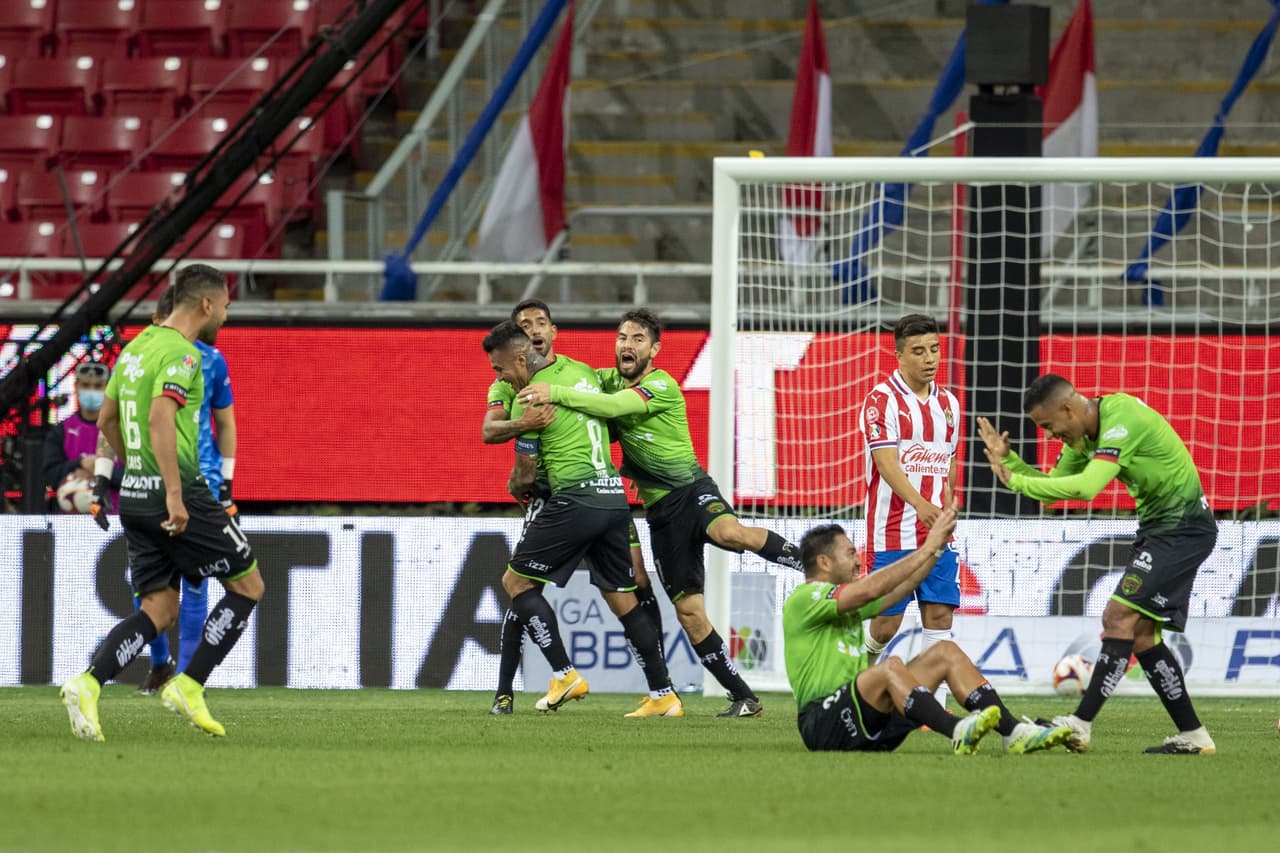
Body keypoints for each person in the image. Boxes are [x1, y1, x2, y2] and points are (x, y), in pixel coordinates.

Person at [519, 308, 804, 717]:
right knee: (689, 613)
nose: (627, 345)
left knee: (729, 533)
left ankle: (808, 565)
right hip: (660, 514)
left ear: (654, 349)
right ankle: (744, 697)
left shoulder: (660, 384)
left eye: (637, 339)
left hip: (691, 491)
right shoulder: (606, 379)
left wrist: (554, 393)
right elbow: (575, 377)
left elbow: (612, 407)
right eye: (622, 337)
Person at [59, 264, 263, 741]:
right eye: (227, 307)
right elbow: (159, 418)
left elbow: (106, 417)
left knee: (159, 609)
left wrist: (137, 467)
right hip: (182, 493)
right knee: (248, 586)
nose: (227, 318)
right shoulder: (184, 355)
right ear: (206, 304)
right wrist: (172, 490)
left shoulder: (135, 349)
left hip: (133, 497)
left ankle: (87, 682)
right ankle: (189, 685)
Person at [979, 374, 1219, 755]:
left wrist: (1016, 482)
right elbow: (1054, 493)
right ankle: (1194, 735)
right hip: (1160, 529)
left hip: (1184, 528)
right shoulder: (1082, 438)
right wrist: (1011, 464)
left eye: (1048, 426)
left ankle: (1080, 724)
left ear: (1068, 409)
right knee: (1141, 636)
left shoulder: (1121, 417)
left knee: (1117, 617)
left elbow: (1085, 488)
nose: (1049, 435)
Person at [483, 320, 681, 718]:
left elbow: (525, 472)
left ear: (521, 359)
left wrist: (514, 489)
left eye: (500, 368)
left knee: (516, 581)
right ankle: (664, 694)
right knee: (622, 598)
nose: (501, 377)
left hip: (576, 498)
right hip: (613, 500)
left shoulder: (531, 397)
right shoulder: (581, 373)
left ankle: (564, 673)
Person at [784, 515, 1072, 754]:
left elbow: (899, 588)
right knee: (891, 667)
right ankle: (957, 730)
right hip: (822, 724)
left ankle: (1014, 733)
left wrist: (935, 549)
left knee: (945, 652)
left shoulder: (842, 606)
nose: (858, 561)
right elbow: (871, 589)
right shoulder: (804, 598)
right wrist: (924, 550)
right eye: (850, 554)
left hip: (866, 723)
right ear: (824, 562)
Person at [859, 314, 961, 695]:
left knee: (939, 613)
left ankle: (930, 700)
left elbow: (949, 462)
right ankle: (856, 673)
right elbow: (886, 462)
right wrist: (919, 503)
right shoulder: (881, 401)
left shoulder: (949, 404)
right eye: (918, 351)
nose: (929, 358)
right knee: (887, 624)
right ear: (899, 355)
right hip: (892, 529)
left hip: (936, 530)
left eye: (934, 349)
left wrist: (948, 507)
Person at [43, 361, 121, 502]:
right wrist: (79, 463)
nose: (91, 391)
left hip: (115, 518)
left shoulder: (121, 429)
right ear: (76, 387)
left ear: (108, 388)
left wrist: (100, 471)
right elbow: (49, 476)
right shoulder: (61, 430)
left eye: (98, 386)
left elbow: (136, 478)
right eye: (86, 385)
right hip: (69, 520)